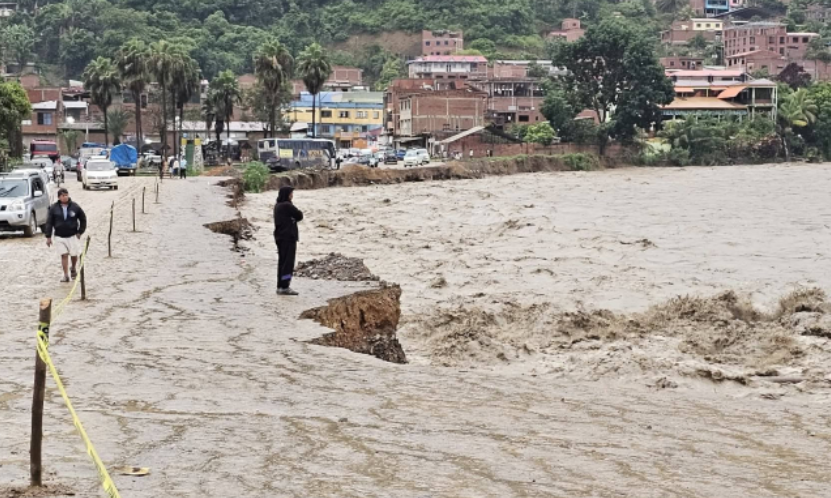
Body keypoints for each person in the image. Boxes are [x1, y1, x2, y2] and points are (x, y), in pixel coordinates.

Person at [45, 188, 87, 283]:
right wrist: (48, 237)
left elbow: (83, 219)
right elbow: (49, 223)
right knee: (64, 255)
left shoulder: (75, 207)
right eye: (63, 196)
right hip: (59, 236)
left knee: (74, 254)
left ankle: (73, 267)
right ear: (59, 197)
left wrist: (80, 231)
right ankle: (65, 275)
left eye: (66, 195)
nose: (65, 197)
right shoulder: (53, 208)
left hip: (72, 235)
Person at [273, 186, 303, 295]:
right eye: (291, 193)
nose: (292, 195)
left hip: (280, 237)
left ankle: (280, 285)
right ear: (287, 194)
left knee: (282, 262)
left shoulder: (278, 206)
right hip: (288, 238)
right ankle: (285, 286)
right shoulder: (287, 205)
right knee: (288, 264)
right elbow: (299, 215)